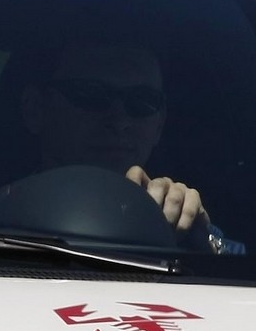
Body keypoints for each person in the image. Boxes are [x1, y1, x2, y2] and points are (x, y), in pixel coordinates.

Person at [19, 42, 228, 249]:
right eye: (91, 94)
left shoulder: (190, 232)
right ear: (36, 109)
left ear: (159, 125)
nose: (120, 122)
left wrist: (202, 245)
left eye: (143, 101)